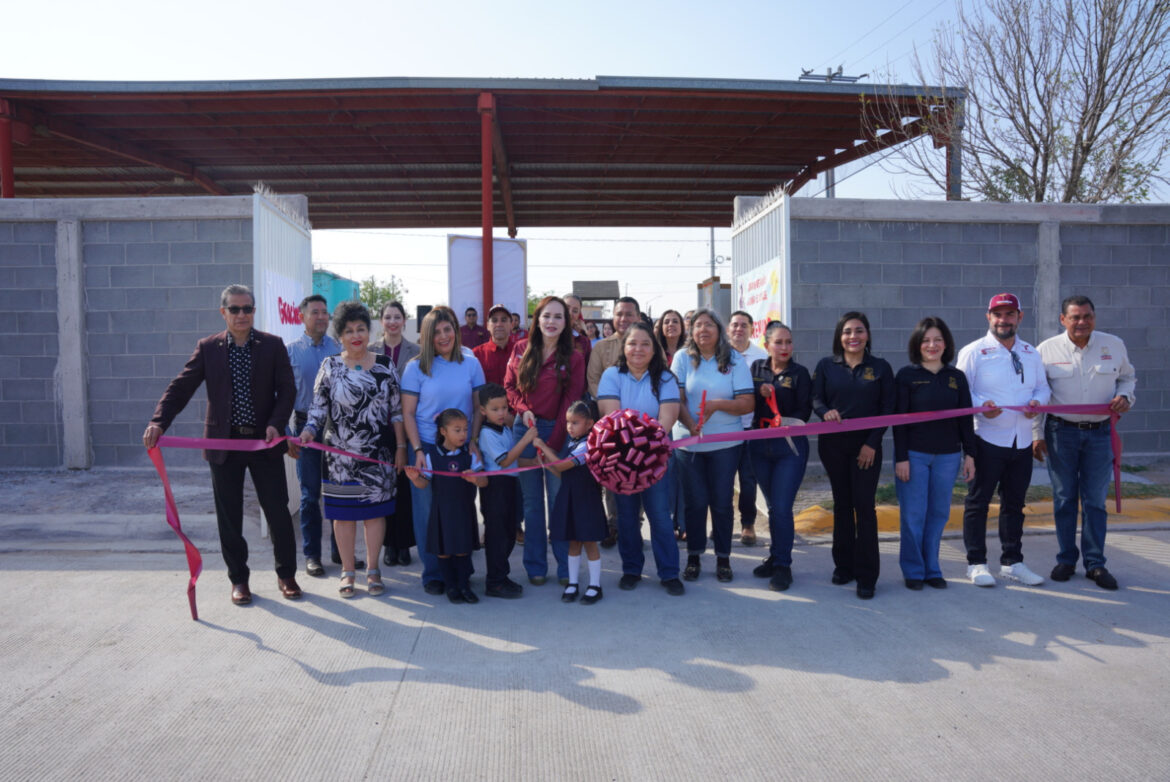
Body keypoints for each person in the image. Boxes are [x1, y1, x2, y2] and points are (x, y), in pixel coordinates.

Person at [143, 284, 300, 606]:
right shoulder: (208, 348)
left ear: (254, 312)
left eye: (247, 309)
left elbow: (287, 390)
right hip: (223, 445)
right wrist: (159, 421)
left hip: (264, 443)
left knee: (278, 512)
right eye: (235, 309)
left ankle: (286, 575)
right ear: (223, 312)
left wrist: (276, 424)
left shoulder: (272, 346)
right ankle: (239, 580)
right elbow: (181, 387)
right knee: (229, 516)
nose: (242, 315)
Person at [298, 301, 405, 598]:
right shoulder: (329, 366)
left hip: (377, 455)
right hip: (338, 459)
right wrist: (307, 432)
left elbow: (396, 412)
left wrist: (400, 447)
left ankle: (373, 570)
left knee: (374, 515)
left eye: (360, 329)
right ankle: (348, 571)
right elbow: (318, 410)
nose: (356, 335)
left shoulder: (385, 365)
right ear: (340, 336)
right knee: (343, 516)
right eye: (349, 331)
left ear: (368, 332)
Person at [1033, 295, 1135, 590]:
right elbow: (1037, 395)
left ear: (1094, 317)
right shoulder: (1047, 350)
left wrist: (1126, 396)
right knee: (1064, 498)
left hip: (1100, 434)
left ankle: (1095, 564)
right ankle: (1066, 559)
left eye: (1087, 316)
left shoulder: (1113, 345)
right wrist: (1036, 435)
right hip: (1060, 433)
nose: (1081, 322)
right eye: (1075, 317)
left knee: (1094, 501)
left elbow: (1128, 378)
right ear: (1062, 320)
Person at [956, 292, 1050, 588]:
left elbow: (1043, 387)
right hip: (987, 439)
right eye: (998, 314)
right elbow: (961, 391)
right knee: (978, 503)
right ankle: (976, 563)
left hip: (1021, 442)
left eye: (1010, 314)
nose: (1003, 320)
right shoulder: (973, 352)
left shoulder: (1031, 353)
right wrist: (983, 404)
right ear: (989, 317)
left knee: (1014, 504)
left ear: (1019, 318)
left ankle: (1012, 562)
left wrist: (1037, 401)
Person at [402, 307, 486, 595]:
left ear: (455, 329)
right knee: (428, 511)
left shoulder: (471, 363)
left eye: (447, 329)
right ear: (426, 336)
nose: (443, 336)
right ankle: (434, 574)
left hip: (462, 446)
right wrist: (417, 449)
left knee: (461, 509)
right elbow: (409, 413)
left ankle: (462, 571)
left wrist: (472, 439)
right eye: (436, 332)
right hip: (427, 446)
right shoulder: (416, 368)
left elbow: (477, 407)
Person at [597, 321, 685, 595]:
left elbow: (667, 419)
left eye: (646, 343)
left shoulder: (666, 378)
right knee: (626, 516)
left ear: (654, 348)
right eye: (632, 343)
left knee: (660, 515)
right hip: (620, 459)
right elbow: (612, 419)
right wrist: (632, 450)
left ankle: (669, 573)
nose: (638, 349)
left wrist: (645, 448)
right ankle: (631, 569)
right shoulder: (612, 375)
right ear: (624, 347)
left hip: (656, 458)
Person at [811, 311, 895, 600]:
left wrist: (872, 443)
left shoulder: (881, 367)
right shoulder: (826, 366)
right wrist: (825, 412)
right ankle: (843, 566)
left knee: (865, 507)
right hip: (833, 445)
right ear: (839, 336)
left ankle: (867, 575)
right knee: (842, 504)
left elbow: (887, 409)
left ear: (867, 335)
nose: (853, 337)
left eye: (859, 331)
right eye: (847, 331)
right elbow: (816, 398)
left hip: (867, 449)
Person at [505, 295, 586, 585]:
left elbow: (571, 399)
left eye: (558, 317)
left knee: (558, 501)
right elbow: (510, 387)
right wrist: (523, 411)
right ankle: (536, 567)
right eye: (546, 316)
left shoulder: (574, 358)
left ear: (567, 323)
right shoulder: (519, 349)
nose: (552, 322)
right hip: (524, 429)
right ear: (537, 320)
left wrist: (551, 441)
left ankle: (566, 568)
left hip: (558, 433)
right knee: (532, 504)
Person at [893, 317, 976, 591]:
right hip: (915, 456)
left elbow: (965, 421)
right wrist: (902, 457)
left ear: (946, 344)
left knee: (938, 513)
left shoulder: (956, 378)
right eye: (926, 340)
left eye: (937, 340)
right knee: (913, 515)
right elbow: (900, 420)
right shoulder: (907, 376)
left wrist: (970, 455)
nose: (932, 345)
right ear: (918, 344)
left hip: (948, 457)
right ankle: (914, 570)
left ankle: (933, 568)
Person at [671, 308, 754, 583]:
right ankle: (693, 556)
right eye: (697, 325)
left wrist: (717, 405)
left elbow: (747, 403)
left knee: (721, 503)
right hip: (688, 441)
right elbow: (676, 398)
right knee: (694, 504)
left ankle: (723, 558)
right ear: (691, 332)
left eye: (709, 325)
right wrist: (689, 423)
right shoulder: (682, 358)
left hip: (725, 444)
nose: (703, 330)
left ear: (719, 330)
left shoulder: (733, 359)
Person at [748, 321, 812, 591]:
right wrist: (759, 395)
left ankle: (784, 565)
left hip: (789, 446)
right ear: (767, 345)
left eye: (788, 342)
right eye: (779, 342)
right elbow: (747, 403)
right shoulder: (756, 369)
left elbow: (804, 412)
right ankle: (775, 556)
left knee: (783, 507)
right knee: (773, 506)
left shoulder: (800, 373)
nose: (785, 347)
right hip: (759, 445)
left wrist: (775, 399)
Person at [286, 294, 344, 577]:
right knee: (310, 496)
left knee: (337, 492)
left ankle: (340, 551)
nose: (321, 317)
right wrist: (287, 434)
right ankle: (312, 555)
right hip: (305, 428)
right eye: (315, 312)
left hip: (336, 430)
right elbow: (281, 395)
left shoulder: (338, 348)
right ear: (302, 317)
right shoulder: (291, 352)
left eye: (325, 312)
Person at [405, 408, 487, 604]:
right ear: (443, 431)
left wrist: (476, 479)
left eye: (465, 430)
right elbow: (424, 482)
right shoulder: (432, 456)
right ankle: (451, 586)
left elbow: (484, 481)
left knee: (462, 549)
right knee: (444, 550)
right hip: (442, 511)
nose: (463, 434)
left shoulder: (470, 455)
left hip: (463, 511)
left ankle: (464, 586)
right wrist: (415, 479)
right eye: (457, 430)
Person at [534, 400, 607, 604]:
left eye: (575, 422)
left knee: (589, 542)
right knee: (573, 542)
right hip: (570, 498)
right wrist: (547, 465)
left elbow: (564, 465)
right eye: (568, 422)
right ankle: (573, 583)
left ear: (590, 423)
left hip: (586, 500)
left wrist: (542, 446)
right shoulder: (572, 443)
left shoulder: (587, 445)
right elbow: (561, 472)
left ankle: (595, 585)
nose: (569, 427)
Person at [586, 296, 642, 546]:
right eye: (619, 314)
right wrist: (615, 412)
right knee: (612, 472)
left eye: (629, 314)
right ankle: (613, 524)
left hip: (641, 425)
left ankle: (634, 525)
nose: (623, 319)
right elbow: (593, 381)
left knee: (640, 470)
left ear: (638, 318)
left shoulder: (648, 345)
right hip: (610, 422)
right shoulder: (600, 348)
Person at [476, 383, 538, 598]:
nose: (501, 413)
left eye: (504, 408)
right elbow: (505, 461)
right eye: (495, 409)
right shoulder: (486, 433)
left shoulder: (504, 428)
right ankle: (494, 582)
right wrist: (526, 440)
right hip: (496, 487)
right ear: (483, 410)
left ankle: (502, 576)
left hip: (510, 484)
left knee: (510, 533)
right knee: (497, 535)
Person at [375, 300, 420, 568]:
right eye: (388, 317)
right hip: (379, 429)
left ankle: (404, 545)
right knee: (384, 487)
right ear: (381, 321)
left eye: (397, 317)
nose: (392, 321)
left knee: (404, 487)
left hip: (406, 424)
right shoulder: (369, 350)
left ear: (405, 320)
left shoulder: (416, 352)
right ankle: (388, 545)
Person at [727, 310, 769, 546]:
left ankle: (747, 524)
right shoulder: (720, 356)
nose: (739, 329)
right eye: (735, 325)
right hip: (724, 427)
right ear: (728, 329)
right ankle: (725, 523)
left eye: (744, 325)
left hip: (751, 428)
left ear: (752, 329)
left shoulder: (761, 357)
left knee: (748, 480)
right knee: (722, 480)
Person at [654, 309, 688, 538]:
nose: (671, 325)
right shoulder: (654, 353)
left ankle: (684, 524)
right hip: (662, 419)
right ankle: (667, 524)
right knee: (667, 471)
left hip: (684, 419)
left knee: (683, 473)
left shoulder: (689, 353)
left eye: (675, 321)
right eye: (667, 321)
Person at [472, 304, 516, 387]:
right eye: (494, 320)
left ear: (511, 325)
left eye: (504, 320)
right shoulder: (476, 354)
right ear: (488, 326)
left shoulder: (521, 353)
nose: (499, 324)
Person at [563, 293, 593, 365]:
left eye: (575, 311)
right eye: (566, 308)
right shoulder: (547, 335)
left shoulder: (584, 342)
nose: (570, 313)